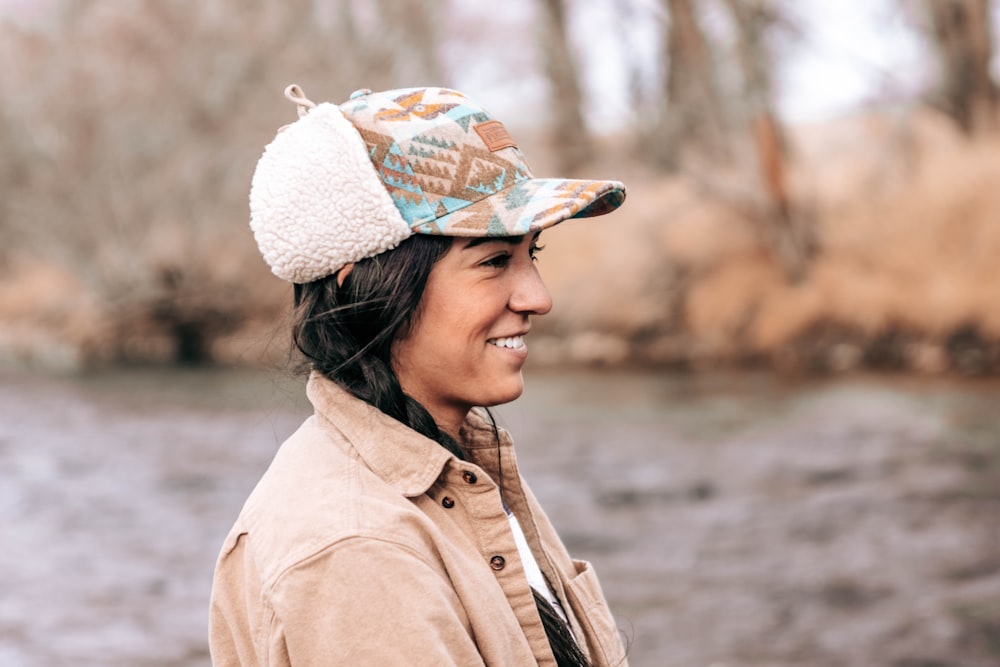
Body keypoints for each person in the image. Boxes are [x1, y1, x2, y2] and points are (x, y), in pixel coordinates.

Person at [209, 84, 628, 667]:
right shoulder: (355, 549)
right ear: (370, 287)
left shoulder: (463, 461)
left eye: (534, 253)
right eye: (492, 261)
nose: (538, 297)